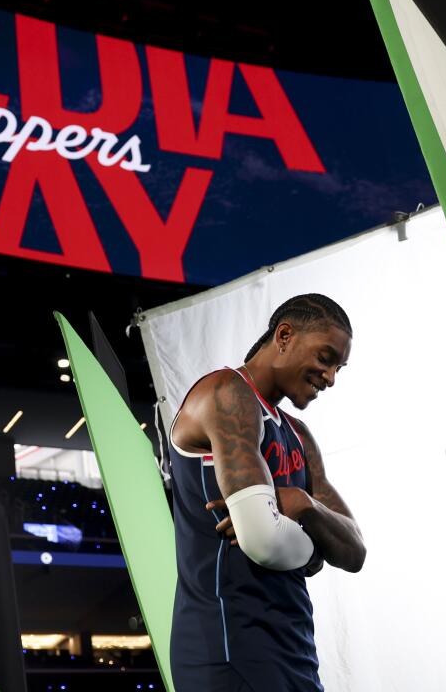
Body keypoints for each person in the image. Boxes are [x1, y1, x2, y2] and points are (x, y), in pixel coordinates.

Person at [167, 293, 366, 691]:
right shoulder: (226, 392)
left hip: (294, 646)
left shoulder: (298, 434)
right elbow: (263, 540)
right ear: (285, 335)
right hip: (229, 643)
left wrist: (300, 504)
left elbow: (354, 551)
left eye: (339, 368)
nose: (330, 378)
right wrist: (313, 552)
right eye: (326, 358)